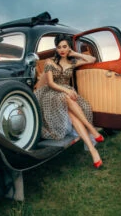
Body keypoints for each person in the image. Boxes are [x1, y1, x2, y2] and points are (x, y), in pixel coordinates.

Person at [34, 34, 104, 168]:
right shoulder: (50, 62)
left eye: (65, 46)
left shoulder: (72, 62)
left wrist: (75, 53)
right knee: (66, 97)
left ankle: (93, 151)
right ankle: (92, 130)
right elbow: (50, 83)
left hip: (65, 94)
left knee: (73, 114)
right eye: (59, 47)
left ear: (68, 48)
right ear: (56, 49)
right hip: (50, 94)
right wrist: (67, 90)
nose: (62, 50)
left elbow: (92, 59)